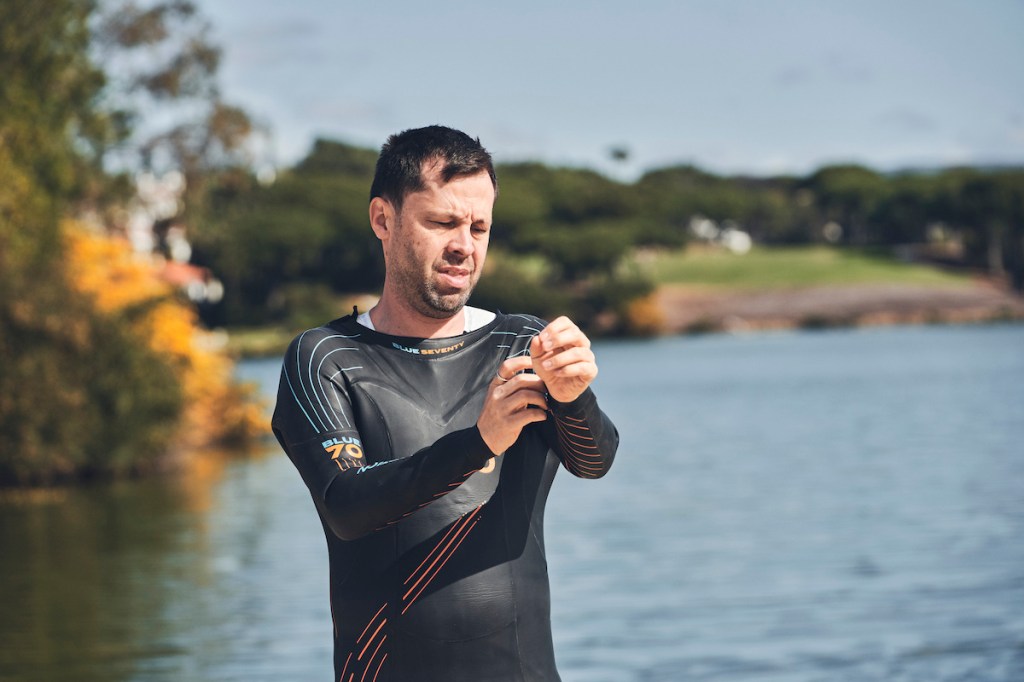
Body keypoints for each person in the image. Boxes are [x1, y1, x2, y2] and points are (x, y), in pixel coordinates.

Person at [272, 125, 619, 681]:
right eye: (442, 222)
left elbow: (594, 461)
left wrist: (574, 399)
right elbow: (348, 505)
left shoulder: (521, 345)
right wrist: (480, 443)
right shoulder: (326, 358)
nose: (465, 245)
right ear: (383, 220)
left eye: (479, 226)